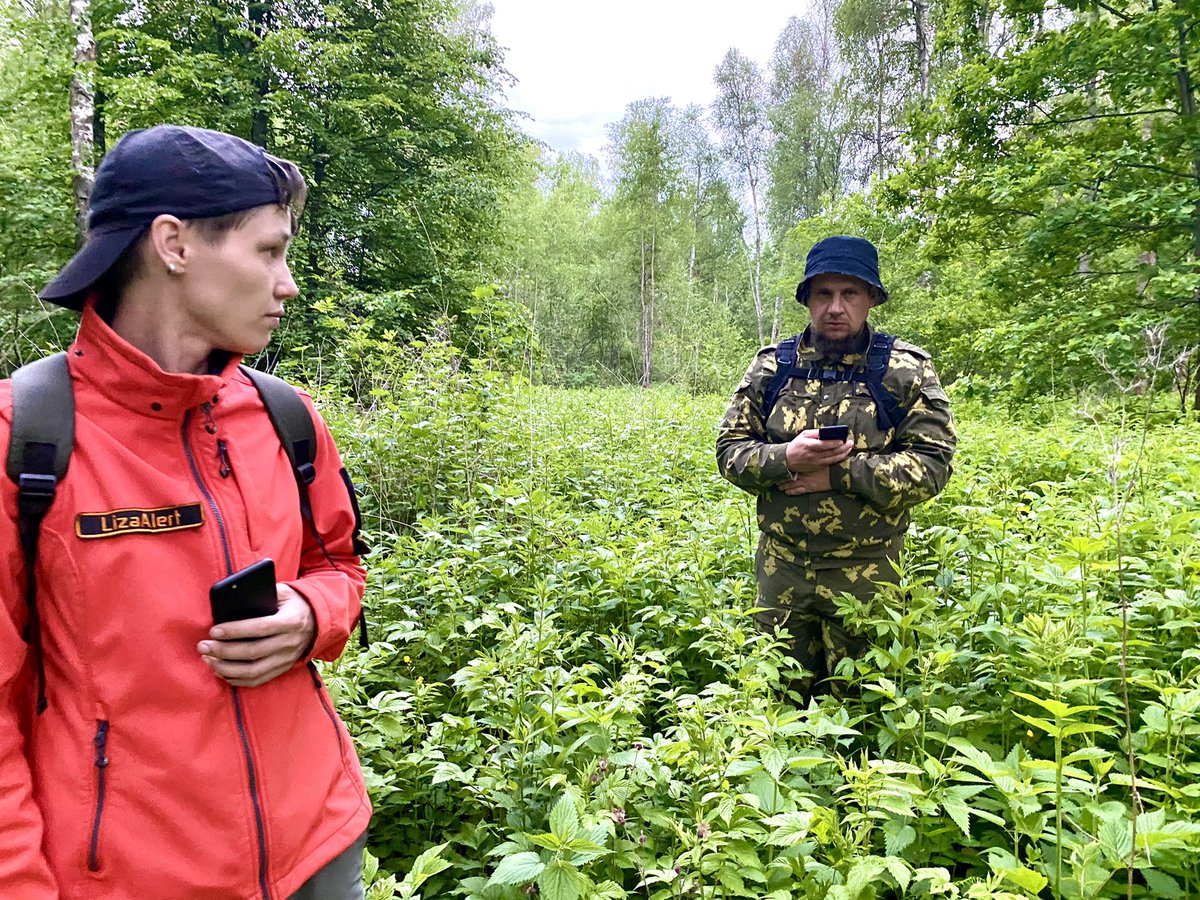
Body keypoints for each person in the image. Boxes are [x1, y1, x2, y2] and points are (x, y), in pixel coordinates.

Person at [0, 126, 371, 898]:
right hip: (128, 877)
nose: (289, 282)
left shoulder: (285, 418)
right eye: (269, 251)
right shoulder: (25, 439)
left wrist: (310, 614)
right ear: (173, 243)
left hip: (321, 846)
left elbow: (339, 567)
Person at [716, 235, 955, 697]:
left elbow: (933, 463)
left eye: (850, 294)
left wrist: (836, 474)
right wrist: (785, 458)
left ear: (871, 299)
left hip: (869, 571)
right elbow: (730, 450)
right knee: (776, 705)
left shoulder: (904, 370)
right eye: (824, 293)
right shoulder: (773, 367)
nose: (836, 307)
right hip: (781, 568)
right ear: (807, 299)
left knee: (864, 709)